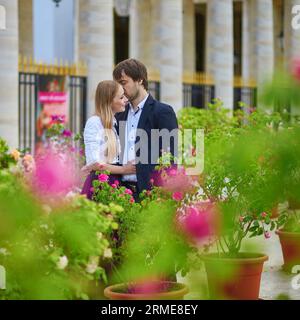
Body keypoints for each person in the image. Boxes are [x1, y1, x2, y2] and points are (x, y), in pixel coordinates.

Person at [113, 58, 178, 201]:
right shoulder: (119, 114)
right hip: (119, 193)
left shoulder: (162, 112)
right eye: (118, 84)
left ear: (140, 80)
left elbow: (170, 157)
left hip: (150, 194)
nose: (120, 89)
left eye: (123, 83)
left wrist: (163, 195)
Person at [81, 80, 136, 199]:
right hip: (100, 185)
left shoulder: (112, 123)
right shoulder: (94, 122)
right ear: (109, 101)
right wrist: (124, 169)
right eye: (121, 97)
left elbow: (108, 160)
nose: (125, 100)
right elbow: (95, 163)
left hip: (113, 182)